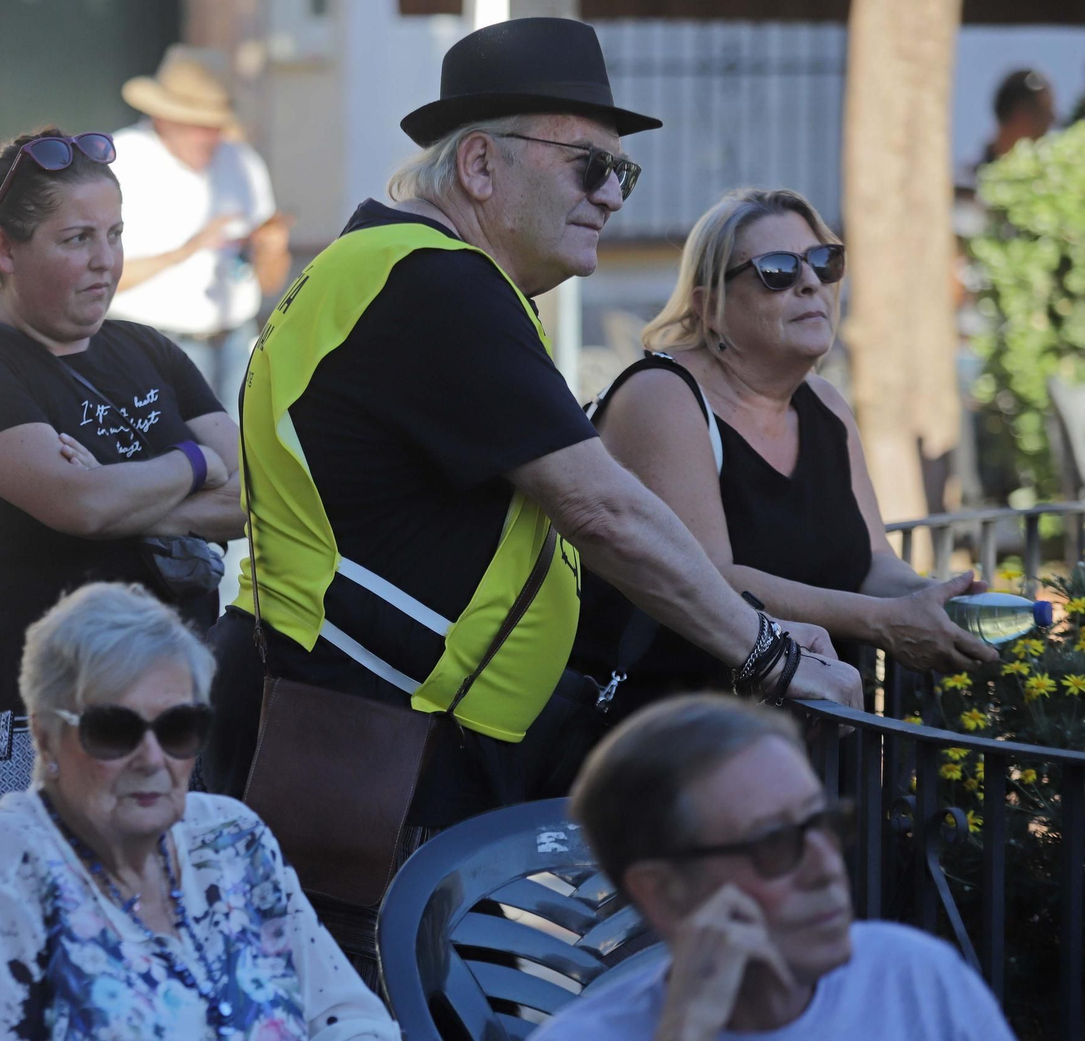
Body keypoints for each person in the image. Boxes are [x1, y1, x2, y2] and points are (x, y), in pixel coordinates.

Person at [204, 19, 860, 835]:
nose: (613, 196)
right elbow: (601, 509)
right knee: (358, 965)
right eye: (589, 166)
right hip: (360, 728)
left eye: (622, 170)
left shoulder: (399, 266)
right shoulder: (438, 283)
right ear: (480, 163)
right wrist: (767, 654)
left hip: (350, 712)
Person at [0, 127, 246, 864]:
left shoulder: (146, 350)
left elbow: (252, 494)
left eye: (115, 234)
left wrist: (121, 492)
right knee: (15, 968)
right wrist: (191, 462)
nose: (106, 261)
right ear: (3, 247)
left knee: (164, 964)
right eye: (77, 239)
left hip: (168, 727)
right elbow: (78, 505)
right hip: (22, 733)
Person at [0, 582, 400, 1040]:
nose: (153, 758)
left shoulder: (232, 839)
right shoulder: (2, 867)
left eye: (178, 727)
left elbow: (351, 1017)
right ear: (45, 736)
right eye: (114, 730)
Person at [569, 188, 998, 719]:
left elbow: (872, 563)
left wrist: (935, 601)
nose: (810, 282)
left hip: (818, 733)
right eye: (776, 269)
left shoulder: (825, 403)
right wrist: (882, 621)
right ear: (711, 307)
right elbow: (709, 578)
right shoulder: (662, 394)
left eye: (824, 261)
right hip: (681, 740)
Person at [530, 695, 1016, 1040]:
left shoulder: (914, 977)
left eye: (823, 822)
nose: (827, 867)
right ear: (664, 892)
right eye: (776, 843)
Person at [110, 45, 291, 414]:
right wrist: (188, 249)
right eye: (197, 123)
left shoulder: (241, 161)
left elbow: (270, 282)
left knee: (235, 463)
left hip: (236, 343)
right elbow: (98, 273)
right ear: (163, 117)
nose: (210, 136)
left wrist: (272, 249)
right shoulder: (123, 159)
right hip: (149, 344)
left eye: (216, 124)